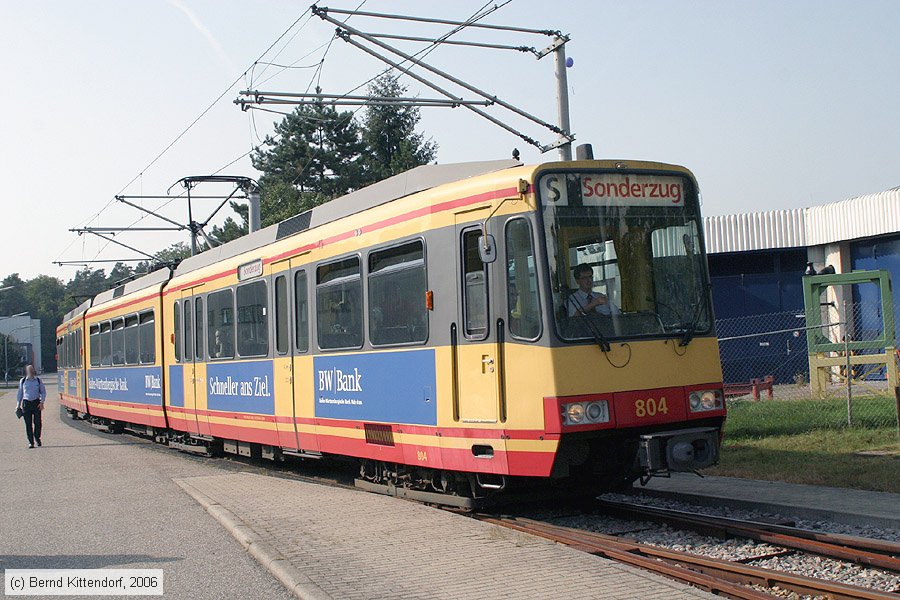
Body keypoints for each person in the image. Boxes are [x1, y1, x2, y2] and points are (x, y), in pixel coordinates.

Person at [17, 365, 46, 449]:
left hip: (36, 403)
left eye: (32, 370)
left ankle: (37, 437)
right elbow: (20, 393)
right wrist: (18, 405)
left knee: (38, 422)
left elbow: (43, 392)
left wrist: (42, 402)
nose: (31, 371)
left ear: (34, 371)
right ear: (27, 371)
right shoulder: (23, 381)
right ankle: (31, 442)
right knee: (28, 424)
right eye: (29, 370)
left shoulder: (38, 380)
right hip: (26, 403)